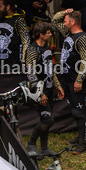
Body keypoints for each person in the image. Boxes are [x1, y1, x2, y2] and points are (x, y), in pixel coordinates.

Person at [52, 9, 86, 153]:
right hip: (67, 79)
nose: (64, 22)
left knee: (79, 111)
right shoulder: (68, 34)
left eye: (66, 20)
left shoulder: (83, 38)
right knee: (74, 109)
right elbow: (55, 21)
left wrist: (79, 80)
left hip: (76, 81)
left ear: (73, 22)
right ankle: (80, 136)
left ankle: (83, 142)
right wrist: (64, 12)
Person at [24, 22, 64, 157]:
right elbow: (30, 73)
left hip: (49, 89)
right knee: (47, 119)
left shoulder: (47, 47)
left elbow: (50, 69)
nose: (51, 34)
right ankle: (31, 143)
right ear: (41, 35)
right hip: (39, 92)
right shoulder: (32, 50)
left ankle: (45, 147)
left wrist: (57, 86)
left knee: (46, 119)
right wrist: (40, 94)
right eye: (48, 33)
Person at [0, 0, 30, 74]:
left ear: (7, 7)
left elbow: (26, 42)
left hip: (13, 64)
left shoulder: (19, 20)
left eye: (0, 6)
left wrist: (23, 61)